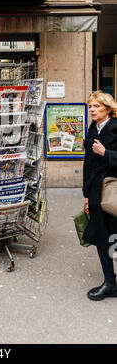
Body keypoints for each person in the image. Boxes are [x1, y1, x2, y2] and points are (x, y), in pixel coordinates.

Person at [83, 91, 117, 300]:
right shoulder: (92, 129)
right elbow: (87, 162)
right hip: (96, 191)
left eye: (96, 106)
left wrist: (107, 154)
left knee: (112, 235)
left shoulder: (116, 127)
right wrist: (86, 193)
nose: (92, 110)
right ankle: (110, 282)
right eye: (90, 107)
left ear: (107, 108)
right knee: (100, 236)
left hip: (113, 191)